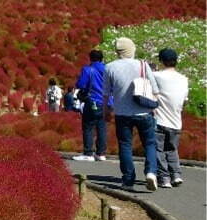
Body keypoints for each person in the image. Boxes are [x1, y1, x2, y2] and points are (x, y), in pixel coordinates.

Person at [103, 37, 159, 190]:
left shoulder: (109, 67)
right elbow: (155, 90)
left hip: (122, 113)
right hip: (144, 112)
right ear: (131, 49)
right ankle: (151, 172)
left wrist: (106, 111)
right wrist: (155, 107)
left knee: (125, 145)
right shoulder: (143, 65)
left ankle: (128, 180)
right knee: (149, 143)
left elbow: (106, 94)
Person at [153, 48, 188, 188]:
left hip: (159, 119)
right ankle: (176, 175)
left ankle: (164, 178)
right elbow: (184, 101)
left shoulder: (157, 76)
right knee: (172, 149)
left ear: (161, 61)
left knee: (158, 150)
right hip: (176, 121)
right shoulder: (183, 79)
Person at [73, 50, 108, 161]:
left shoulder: (88, 69)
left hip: (92, 101)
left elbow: (81, 84)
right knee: (101, 127)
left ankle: (88, 153)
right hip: (106, 102)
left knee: (88, 127)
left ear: (90, 58)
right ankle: (101, 153)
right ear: (102, 58)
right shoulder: (107, 69)